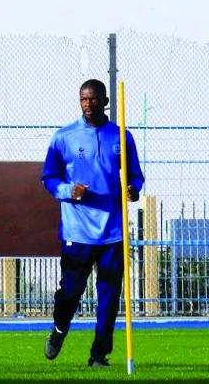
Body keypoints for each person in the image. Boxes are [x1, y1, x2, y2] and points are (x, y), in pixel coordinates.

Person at [42, 79, 145, 368]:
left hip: (113, 231)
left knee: (109, 297)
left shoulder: (121, 137)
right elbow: (49, 178)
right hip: (77, 231)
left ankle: (99, 354)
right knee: (70, 292)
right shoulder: (64, 137)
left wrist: (133, 190)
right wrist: (69, 190)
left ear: (105, 101)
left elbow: (135, 175)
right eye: (83, 99)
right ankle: (59, 329)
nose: (88, 104)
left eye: (93, 99)